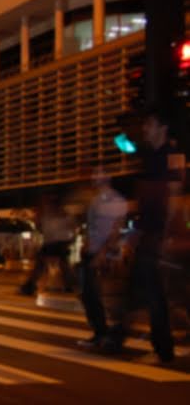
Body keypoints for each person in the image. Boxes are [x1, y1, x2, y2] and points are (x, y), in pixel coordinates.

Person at [102, 111, 177, 363]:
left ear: (163, 127)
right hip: (147, 234)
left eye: (149, 123)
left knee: (153, 292)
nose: (145, 128)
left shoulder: (171, 156)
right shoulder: (149, 156)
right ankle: (119, 335)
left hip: (158, 235)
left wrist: (166, 235)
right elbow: (126, 146)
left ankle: (162, 350)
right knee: (138, 288)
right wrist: (120, 132)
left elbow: (173, 199)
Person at [76, 167, 127, 348]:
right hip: (94, 252)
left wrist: (102, 253)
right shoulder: (98, 199)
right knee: (89, 294)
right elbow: (95, 227)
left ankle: (107, 334)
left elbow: (115, 230)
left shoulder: (113, 199)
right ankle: (102, 333)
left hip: (103, 255)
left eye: (98, 174)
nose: (93, 177)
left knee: (100, 296)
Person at [19, 191, 76, 296]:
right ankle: (70, 286)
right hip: (59, 243)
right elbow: (70, 228)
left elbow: (42, 228)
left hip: (53, 243)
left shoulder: (50, 215)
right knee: (62, 265)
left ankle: (29, 286)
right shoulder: (61, 214)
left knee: (41, 266)